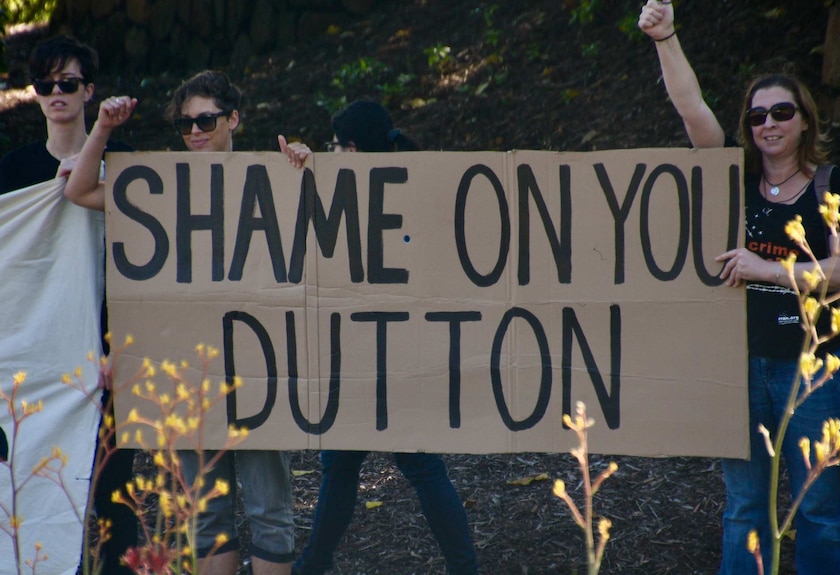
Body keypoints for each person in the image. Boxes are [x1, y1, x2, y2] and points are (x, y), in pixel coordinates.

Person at [638, 2, 840, 574]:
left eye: (782, 111)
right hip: (739, 370)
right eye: (758, 114)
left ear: (805, 120)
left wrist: (764, 270)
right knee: (744, 509)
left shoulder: (834, 186)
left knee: (820, 508)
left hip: (814, 370)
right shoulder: (731, 178)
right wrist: (666, 37)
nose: (769, 123)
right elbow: (691, 108)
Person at [67, 69, 297, 575]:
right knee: (207, 514)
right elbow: (81, 191)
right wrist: (101, 131)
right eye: (185, 124)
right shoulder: (161, 188)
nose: (195, 131)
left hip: (259, 375)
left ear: (233, 119)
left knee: (269, 511)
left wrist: (300, 162)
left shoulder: (270, 176)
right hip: (193, 375)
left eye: (206, 120)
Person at [280, 100, 480, 575]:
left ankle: (315, 564)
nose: (328, 154)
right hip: (383, 351)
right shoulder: (412, 186)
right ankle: (317, 563)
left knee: (388, 465)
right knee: (359, 464)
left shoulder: (387, 196)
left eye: (333, 146)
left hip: (380, 354)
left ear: (350, 149)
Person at [0, 34, 138, 575]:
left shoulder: (125, 166)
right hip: (35, 359)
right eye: (45, 84)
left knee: (113, 492)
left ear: (89, 91)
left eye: (68, 83)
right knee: (39, 485)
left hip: (108, 350)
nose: (56, 92)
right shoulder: (12, 174)